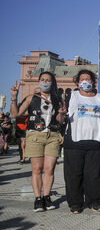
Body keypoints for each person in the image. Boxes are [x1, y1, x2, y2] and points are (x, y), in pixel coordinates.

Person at [10, 72, 66, 212]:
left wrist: (62, 114)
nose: (45, 82)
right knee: (37, 169)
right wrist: (13, 98)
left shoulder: (57, 99)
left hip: (52, 135)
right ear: (39, 81)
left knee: (49, 169)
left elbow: (59, 121)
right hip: (35, 135)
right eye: (42, 80)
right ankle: (38, 199)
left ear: (52, 82)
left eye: (48, 80)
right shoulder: (31, 98)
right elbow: (16, 114)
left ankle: (46, 197)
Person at [63, 69, 100, 214]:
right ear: (77, 82)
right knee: (74, 175)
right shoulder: (71, 96)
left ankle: (94, 201)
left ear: (93, 82)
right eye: (82, 79)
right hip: (74, 142)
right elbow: (62, 116)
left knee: (94, 175)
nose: (85, 81)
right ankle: (75, 203)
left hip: (95, 142)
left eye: (88, 79)